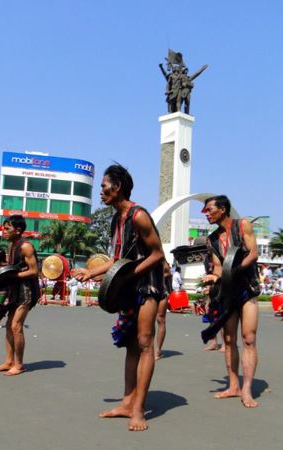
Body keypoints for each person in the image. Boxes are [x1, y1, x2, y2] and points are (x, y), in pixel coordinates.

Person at [74, 164, 166, 431]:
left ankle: (139, 410)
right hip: (129, 288)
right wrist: (90, 273)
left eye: (103, 187)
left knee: (145, 343)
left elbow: (158, 254)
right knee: (130, 345)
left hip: (148, 286)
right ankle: (127, 402)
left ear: (118, 187)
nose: (100, 192)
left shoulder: (139, 216)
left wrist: (128, 275)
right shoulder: (116, 219)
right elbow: (117, 260)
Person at [201, 195, 260, 408]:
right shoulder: (212, 239)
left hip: (247, 288)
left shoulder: (242, 225)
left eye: (209, 209)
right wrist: (214, 278)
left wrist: (232, 272)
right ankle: (233, 385)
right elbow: (217, 266)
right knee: (228, 340)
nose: (206, 214)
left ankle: (247, 389)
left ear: (223, 209)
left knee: (249, 339)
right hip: (227, 292)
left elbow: (253, 253)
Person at [0, 215, 40, 376]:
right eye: (4, 228)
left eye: (7, 228)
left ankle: (19, 365)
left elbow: (34, 271)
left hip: (27, 290)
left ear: (18, 230)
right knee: (8, 326)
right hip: (15, 289)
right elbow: (14, 268)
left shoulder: (25, 246)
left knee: (16, 326)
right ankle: (8, 361)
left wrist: (11, 276)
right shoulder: (12, 246)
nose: (4, 231)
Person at [156, 261, 172, 360]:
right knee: (149, 322)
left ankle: (158, 350)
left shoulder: (162, 260)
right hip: (151, 291)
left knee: (160, 320)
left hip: (161, 292)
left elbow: (168, 273)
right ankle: (150, 349)